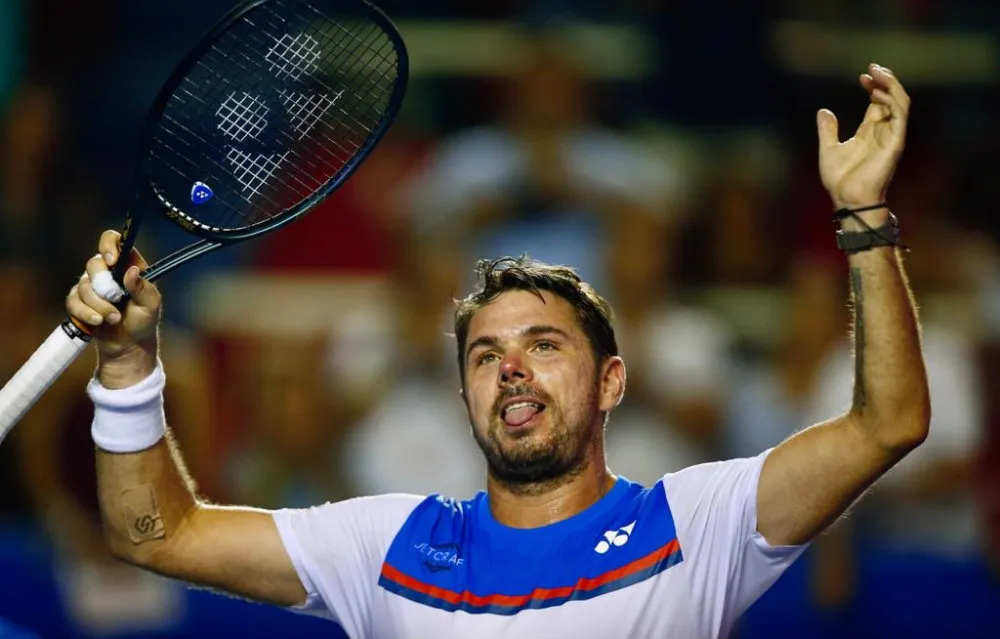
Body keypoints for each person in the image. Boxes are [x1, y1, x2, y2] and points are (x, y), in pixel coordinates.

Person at [64, 64, 928, 638]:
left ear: (611, 382)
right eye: (483, 355)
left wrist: (863, 220)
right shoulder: (384, 545)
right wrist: (127, 367)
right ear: (466, 395)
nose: (509, 365)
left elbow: (888, 422)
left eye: (544, 343)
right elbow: (155, 534)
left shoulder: (697, 524)